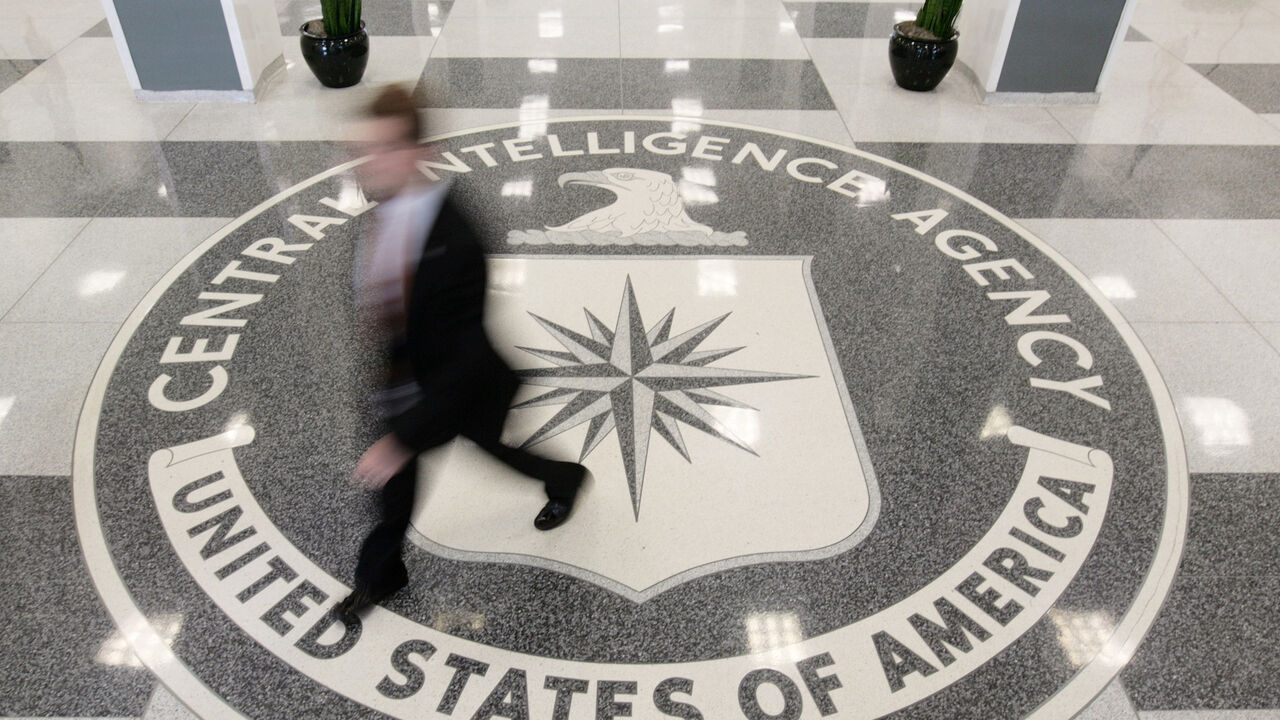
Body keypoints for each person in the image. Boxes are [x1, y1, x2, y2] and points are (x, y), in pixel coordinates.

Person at [337, 85, 586, 622]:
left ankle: (566, 479)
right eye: (365, 150)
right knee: (394, 496)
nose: (368, 164)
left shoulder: (458, 240)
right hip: (406, 378)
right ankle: (382, 577)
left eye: (381, 150)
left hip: (460, 386)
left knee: (497, 452)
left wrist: (400, 439)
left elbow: (465, 357)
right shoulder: (382, 209)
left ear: (415, 153)